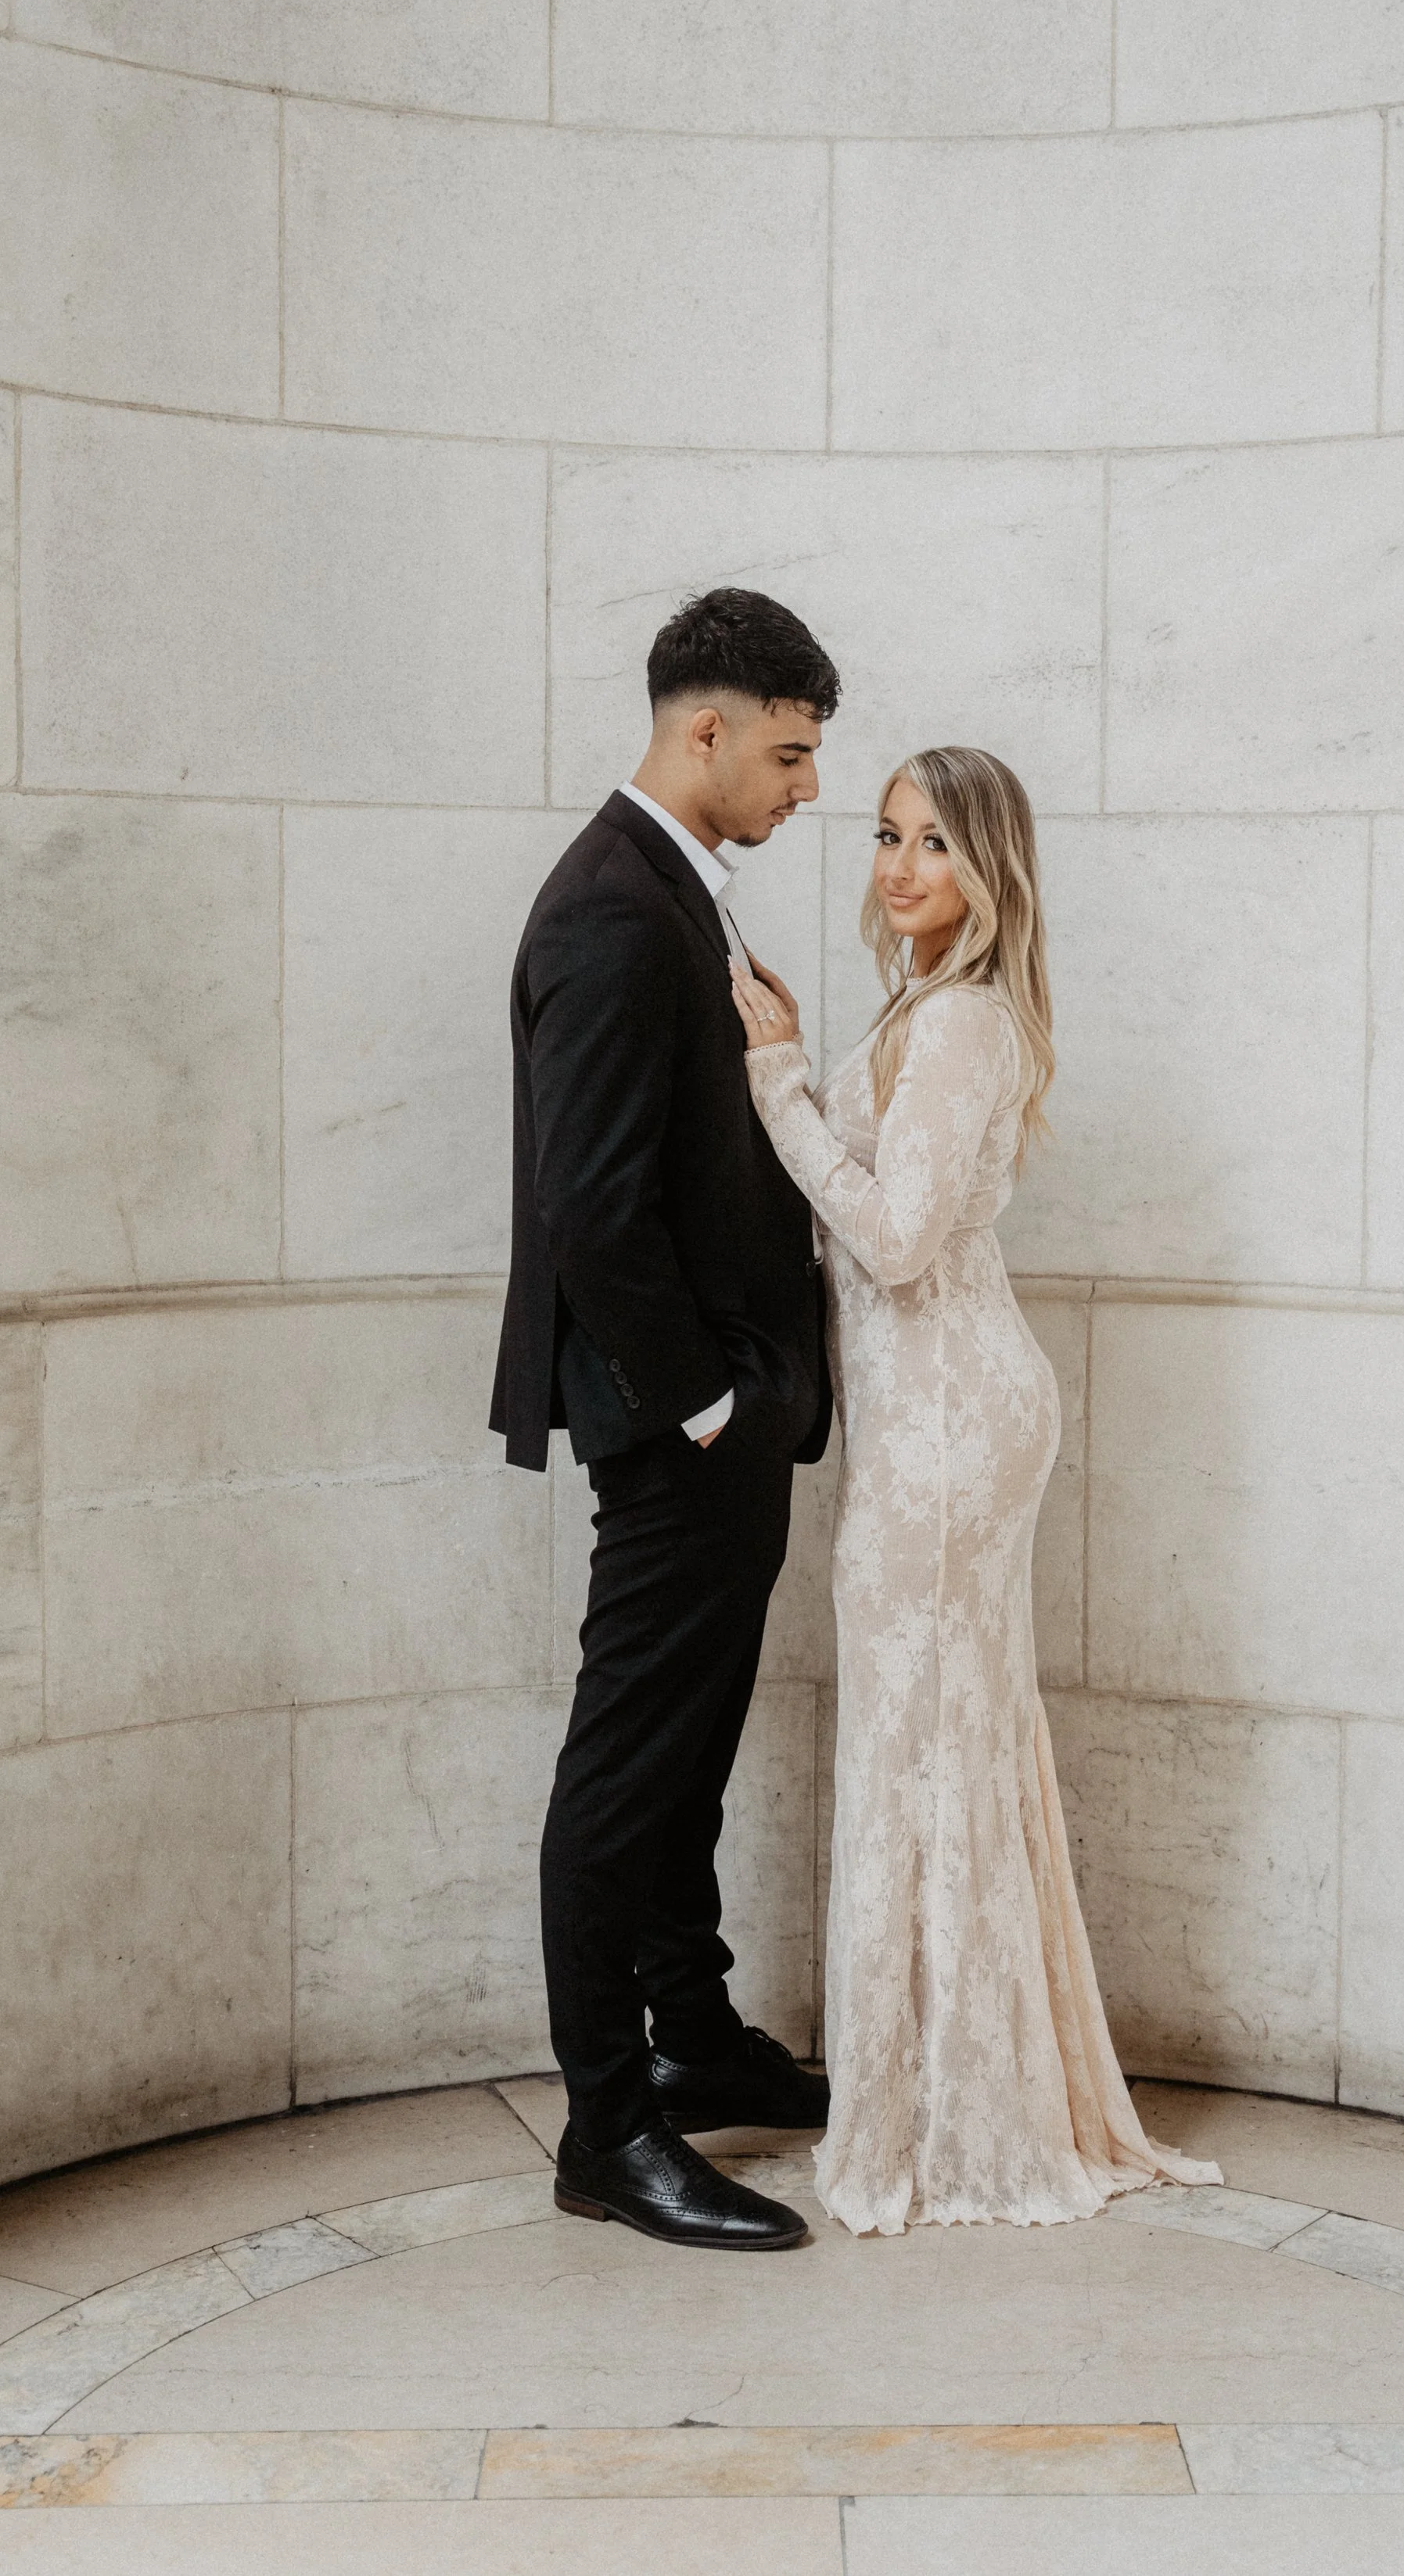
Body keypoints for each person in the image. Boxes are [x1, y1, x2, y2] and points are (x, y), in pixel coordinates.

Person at [730, 746, 1223, 2233]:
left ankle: (947, 2119)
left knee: (919, 1745)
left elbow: (890, 1243)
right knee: (932, 1739)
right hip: (932, 1412)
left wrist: (777, 1087)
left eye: (933, 844)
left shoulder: (960, 1028)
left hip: (951, 1420)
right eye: (885, 835)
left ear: (988, 869)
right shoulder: (930, 1010)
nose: (897, 867)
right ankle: (947, 2086)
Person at [491, 588, 838, 2253]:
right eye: (787, 752)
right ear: (701, 730)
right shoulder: (613, 909)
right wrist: (704, 1403)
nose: (806, 788)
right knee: (624, 1766)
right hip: (678, 1419)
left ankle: (692, 2038)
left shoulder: (668, 891)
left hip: (728, 1410)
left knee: (685, 1739)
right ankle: (606, 2123)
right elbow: (592, 1203)